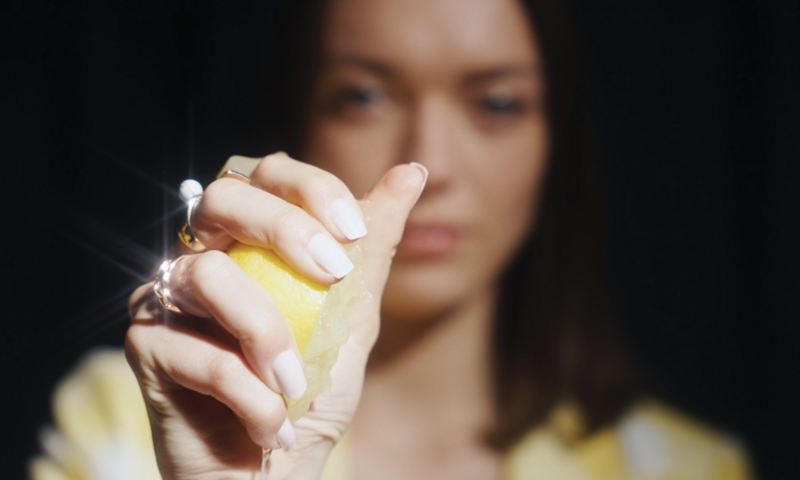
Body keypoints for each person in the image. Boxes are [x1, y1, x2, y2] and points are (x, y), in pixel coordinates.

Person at [30, 0, 751, 478]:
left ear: (556, 143)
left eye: (497, 102)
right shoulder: (131, 424)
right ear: (302, 118)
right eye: (365, 95)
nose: (428, 163)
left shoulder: (685, 469)